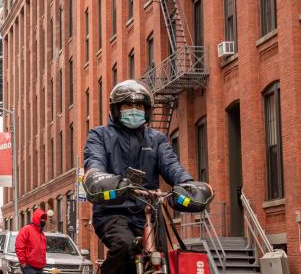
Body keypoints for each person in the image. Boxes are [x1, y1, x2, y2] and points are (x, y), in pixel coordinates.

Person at [83, 79, 213, 274]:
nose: (134, 110)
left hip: (149, 213)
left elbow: (172, 166)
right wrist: (98, 177)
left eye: (139, 106)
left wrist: (188, 184)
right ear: (116, 109)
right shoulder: (99, 136)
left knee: (159, 260)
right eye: (128, 105)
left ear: (147, 110)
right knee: (125, 247)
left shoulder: (157, 140)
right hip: (113, 213)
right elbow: (94, 163)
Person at [14, 208, 47, 274]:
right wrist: (23, 263)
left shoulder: (42, 234)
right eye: (41, 219)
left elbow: (43, 250)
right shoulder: (26, 229)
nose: (43, 221)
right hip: (29, 266)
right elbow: (19, 247)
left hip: (40, 267)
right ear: (37, 219)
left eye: (44, 219)